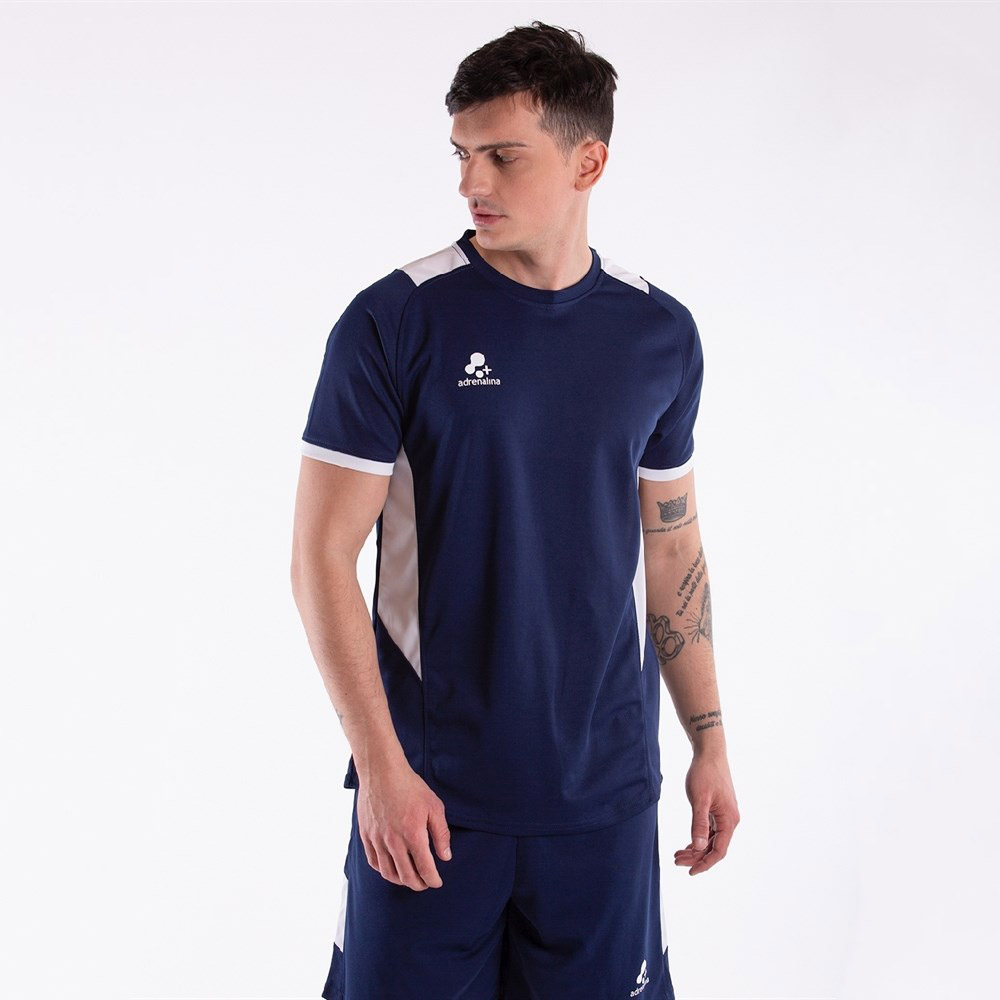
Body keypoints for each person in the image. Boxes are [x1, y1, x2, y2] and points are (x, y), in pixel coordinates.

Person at [290, 20, 740, 1000]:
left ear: (588, 162)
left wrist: (709, 742)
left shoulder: (658, 334)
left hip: (604, 801)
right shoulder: (394, 321)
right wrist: (381, 768)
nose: (471, 183)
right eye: (461, 154)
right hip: (431, 801)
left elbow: (673, 552)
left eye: (502, 156)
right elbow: (321, 557)